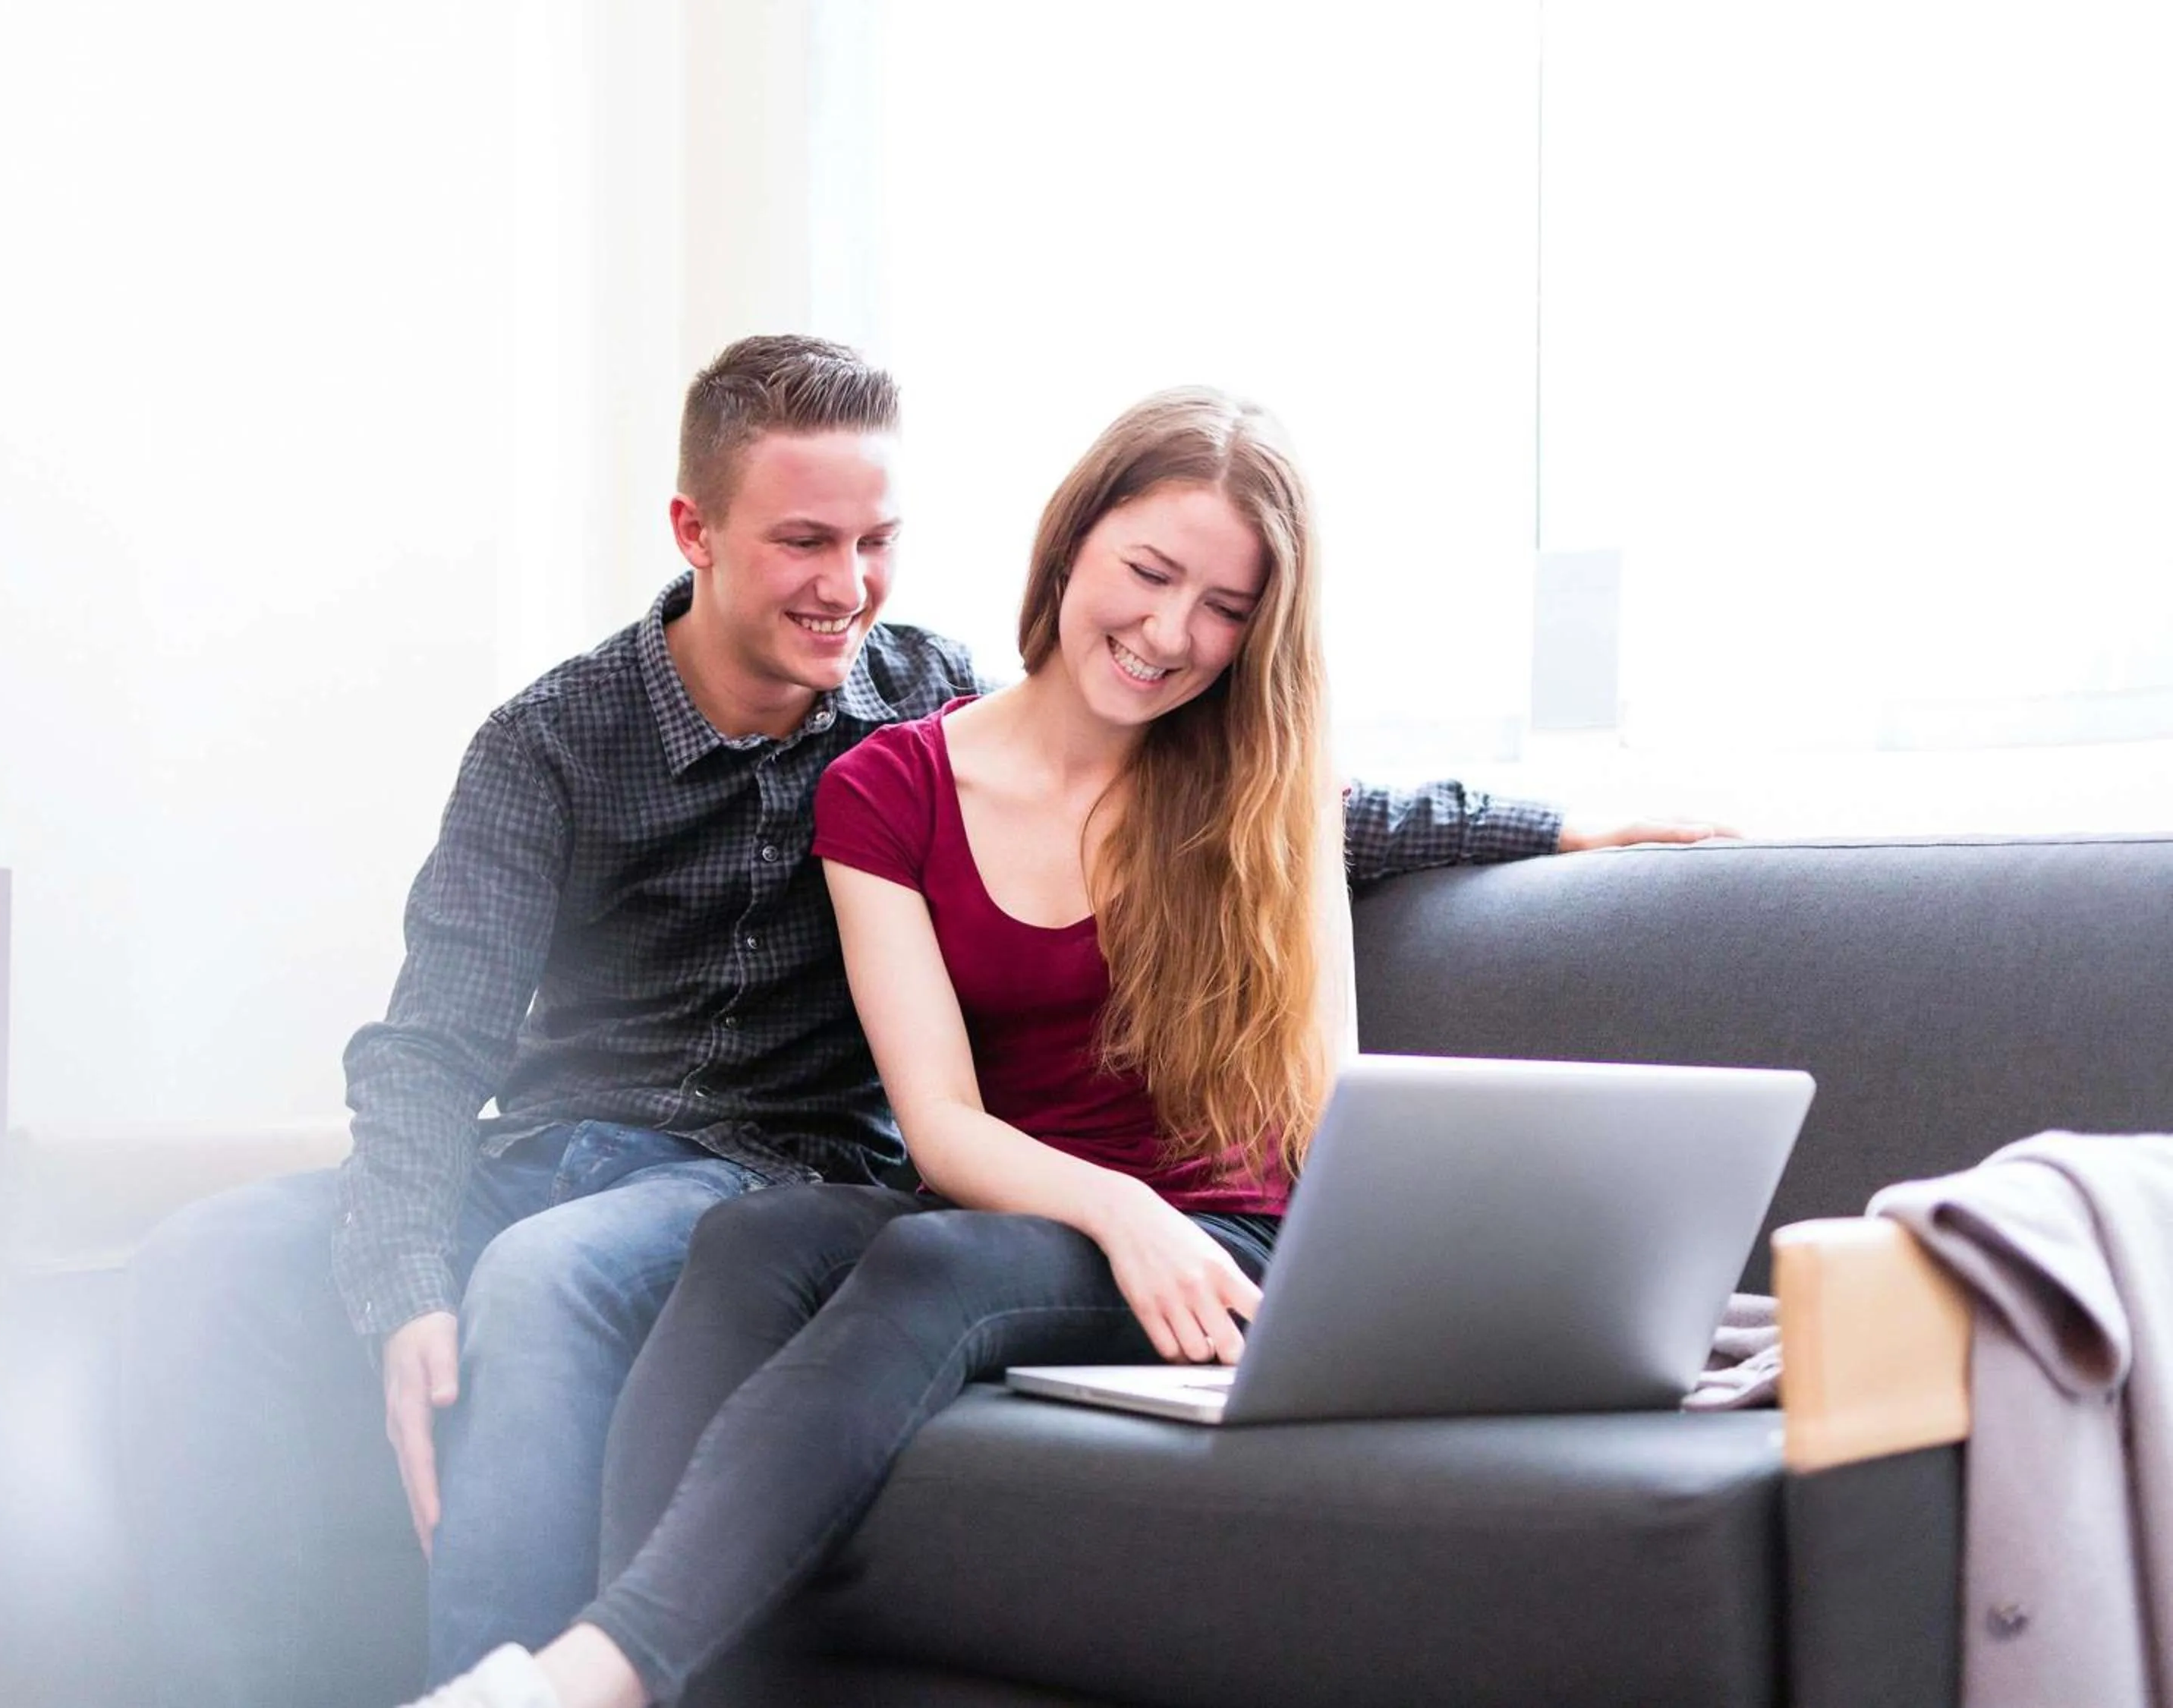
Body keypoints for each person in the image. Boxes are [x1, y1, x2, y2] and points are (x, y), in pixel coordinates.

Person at [121, 336, 1708, 1707]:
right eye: (806, 541)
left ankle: (546, 1678)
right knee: (191, 1274)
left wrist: (1560, 825)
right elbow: (429, 1048)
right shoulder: (570, 741)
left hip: (761, 1162)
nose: (850, 587)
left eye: (877, 540)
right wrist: (399, 1278)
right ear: (695, 531)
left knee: (567, 1282)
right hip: (548, 1146)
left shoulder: (937, 695)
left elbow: (1309, 805)